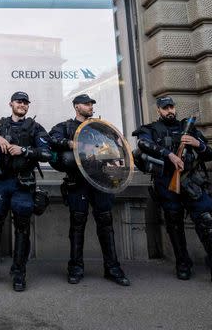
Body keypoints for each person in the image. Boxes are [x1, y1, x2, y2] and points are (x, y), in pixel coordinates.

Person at [133, 96, 212, 291]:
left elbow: (211, 154)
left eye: (171, 107)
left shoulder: (189, 129)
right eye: (165, 108)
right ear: (158, 110)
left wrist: (196, 143)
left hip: (191, 182)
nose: (169, 111)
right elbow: (142, 144)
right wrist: (170, 155)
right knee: (174, 224)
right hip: (167, 183)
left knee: (207, 220)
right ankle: (183, 263)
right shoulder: (151, 129)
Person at [0, 91, 51, 292]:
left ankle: (19, 273)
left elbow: (48, 154)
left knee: (22, 226)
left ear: (28, 106)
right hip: (1, 182)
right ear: (11, 104)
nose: (22, 105)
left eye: (25, 102)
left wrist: (24, 150)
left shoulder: (35, 128)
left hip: (23, 183)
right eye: (18, 101)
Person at [49, 94, 130, 286]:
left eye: (92, 104)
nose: (90, 106)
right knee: (77, 226)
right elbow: (52, 139)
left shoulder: (99, 128)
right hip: (78, 183)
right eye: (86, 104)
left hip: (101, 181)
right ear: (77, 107)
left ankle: (112, 268)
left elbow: (116, 149)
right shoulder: (66, 127)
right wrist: (72, 143)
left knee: (106, 224)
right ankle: (75, 268)